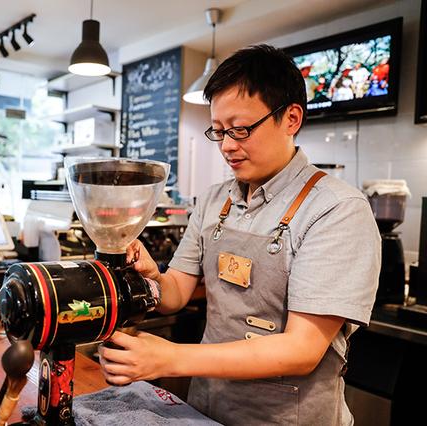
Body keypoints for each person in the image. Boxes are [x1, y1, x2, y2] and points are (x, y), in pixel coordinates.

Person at [98, 45, 381, 425]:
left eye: (241, 129)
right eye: (218, 132)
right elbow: (176, 293)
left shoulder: (336, 209)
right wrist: (151, 278)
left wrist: (170, 357)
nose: (228, 145)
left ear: (291, 118)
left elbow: (302, 348)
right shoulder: (216, 199)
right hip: (206, 408)